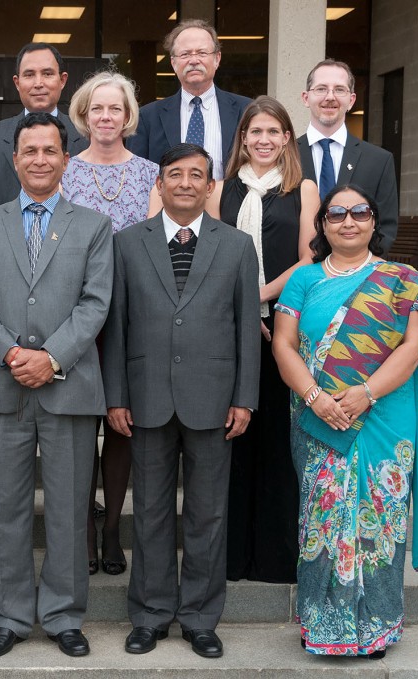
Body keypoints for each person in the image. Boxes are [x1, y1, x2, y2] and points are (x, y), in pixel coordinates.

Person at [273, 184, 418, 658]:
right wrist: (316, 397)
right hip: (318, 417)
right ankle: (324, 626)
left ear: (374, 223)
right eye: (336, 213)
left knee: (380, 520)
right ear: (322, 226)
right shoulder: (304, 279)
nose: (348, 221)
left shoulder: (402, 278)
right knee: (322, 516)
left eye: (359, 212)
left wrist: (365, 393)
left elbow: (414, 347)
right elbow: (282, 344)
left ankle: (378, 627)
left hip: (384, 414)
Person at [0, 113, 113, 659]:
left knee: (71, 507)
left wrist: (51, 357)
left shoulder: (94, 226)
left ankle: (64, 615)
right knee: (4, 507)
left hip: (67, 387)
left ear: (66, 159)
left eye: (51, 151)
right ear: (15, 158)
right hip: (2, 386)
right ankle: (8, 615)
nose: (41, 160)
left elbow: (96, 304)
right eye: (31, 151)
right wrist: (10, 353)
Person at [102, 143, 260, 659]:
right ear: (160, 183)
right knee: (147, 511)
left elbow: (245, 330)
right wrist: (116, 395)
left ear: (211, 186)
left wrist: (245, 398)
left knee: (207, 513)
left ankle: (199, 617)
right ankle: (149, 615)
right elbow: (117, 326)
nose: (187, 183)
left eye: (197, 175)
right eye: (176, 174)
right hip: (145, 398)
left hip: (214, 399)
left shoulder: (236, 247)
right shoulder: (127, 243)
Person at [206, 95, 318, 583]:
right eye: (256, 132)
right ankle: (230, 558)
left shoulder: (303, 189)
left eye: (274, 132)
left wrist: (260, 297)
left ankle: (274, 558)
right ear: (243, 139)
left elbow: (309, 257)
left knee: (276, 441)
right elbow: (211, 254)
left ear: (287, 138)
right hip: (229, 327)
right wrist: (241, 307)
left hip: (284, 325)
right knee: (234, 439)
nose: (264, 140)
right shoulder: (220, 190)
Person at [62, 70, 161, 577]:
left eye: (115, 109)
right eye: (97, 108)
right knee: (80, 426)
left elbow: (156, 249)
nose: (105, 116)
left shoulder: (150, 174)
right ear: (83, 114)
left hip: (132, 315)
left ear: (128, 116)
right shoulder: (62, 171)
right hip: (75, 314)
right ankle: (81, 526)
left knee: (122, 424)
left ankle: (112, 529)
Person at [296, 59, 398, 254]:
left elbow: (386, 228)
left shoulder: (379, 161)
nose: (330, 97)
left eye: (339, 90)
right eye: (321, 89)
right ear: (306, 98)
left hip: (357, 277)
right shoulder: (285, 156)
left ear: (351, 100)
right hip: (297, 276)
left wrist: (357, 273)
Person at [128, 19, 251, 180]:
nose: (193, 60)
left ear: (217, 58)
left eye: (202, 53)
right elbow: (136, 177)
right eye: (185, 54)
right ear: (173, 62)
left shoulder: (247, 110)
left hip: (227, 204)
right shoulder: (146, 117)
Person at [0, 43, 88, 202]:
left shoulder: (86, 136)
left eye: (47, 73)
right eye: (29, 74)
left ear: (62, 80)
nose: (38, 83)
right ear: (17, 83)